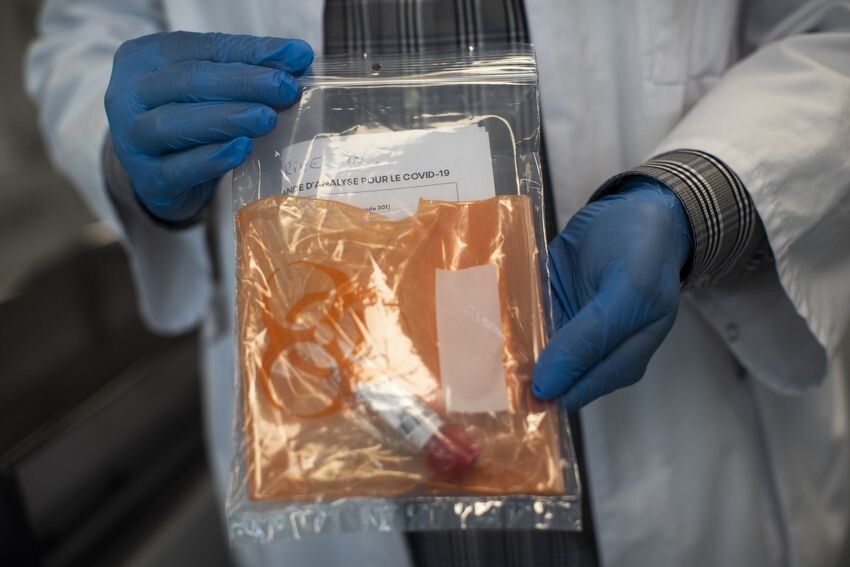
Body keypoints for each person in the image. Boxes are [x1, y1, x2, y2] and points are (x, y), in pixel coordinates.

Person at [25, 1, 850, 566]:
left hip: (689, 441)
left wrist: (697, 200)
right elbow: (85, 28)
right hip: (324, 429)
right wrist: (123, 144)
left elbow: (828, 31)